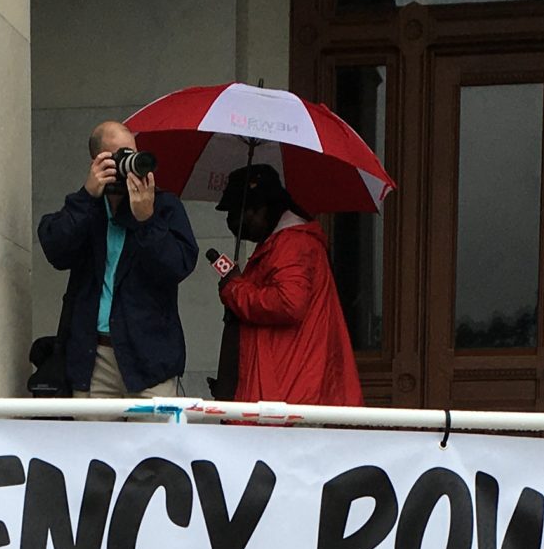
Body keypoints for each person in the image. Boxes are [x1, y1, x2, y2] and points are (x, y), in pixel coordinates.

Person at [38, 121, 197, 398]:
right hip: (94, 357)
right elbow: (56, 250)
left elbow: (178, 266)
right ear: (97, 162)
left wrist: (147, 220)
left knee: (153, 441)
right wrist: (87, 196)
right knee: (94, 440)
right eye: (119, 157)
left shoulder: (163, 206)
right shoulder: (86, 207)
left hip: (149, 358)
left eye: (132, 154)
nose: (129, 165)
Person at [211, 163, 362, 407]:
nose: (232, 222)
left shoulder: (292, 245)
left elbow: (288, 303)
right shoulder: (283, 243)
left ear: (260, 209)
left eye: (237, 213)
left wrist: (235, 289)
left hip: (291, 390)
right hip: (288, 387)